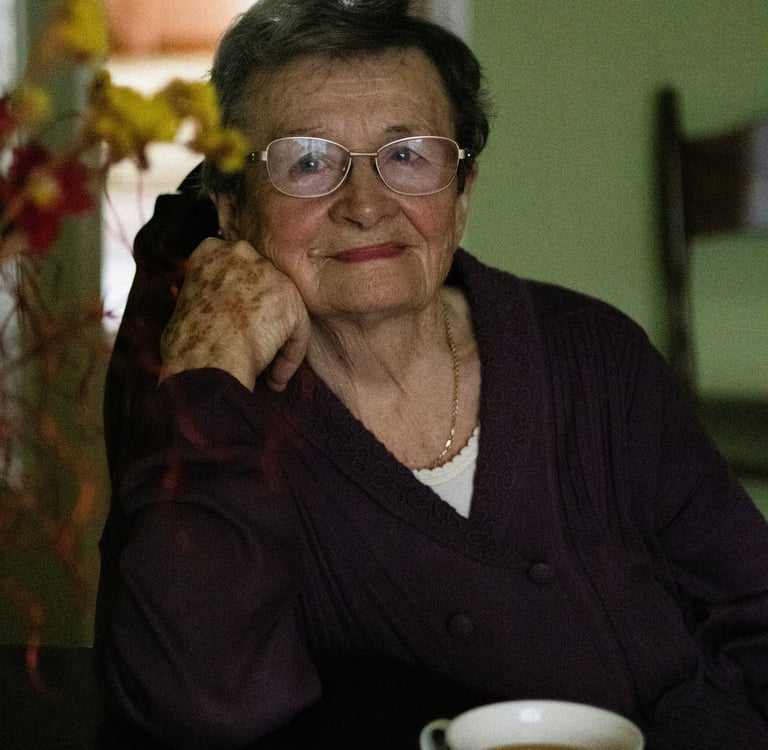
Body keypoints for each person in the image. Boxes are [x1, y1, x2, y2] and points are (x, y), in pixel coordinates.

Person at [94, 1, 768, 748]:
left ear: (462, 191)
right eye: (307, 161)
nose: (365, 204)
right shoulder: (214, 404)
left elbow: (754, 610)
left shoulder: (596, 355)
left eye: (408, 154)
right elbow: (196, 702)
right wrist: (208, 368)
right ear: (231, 210)